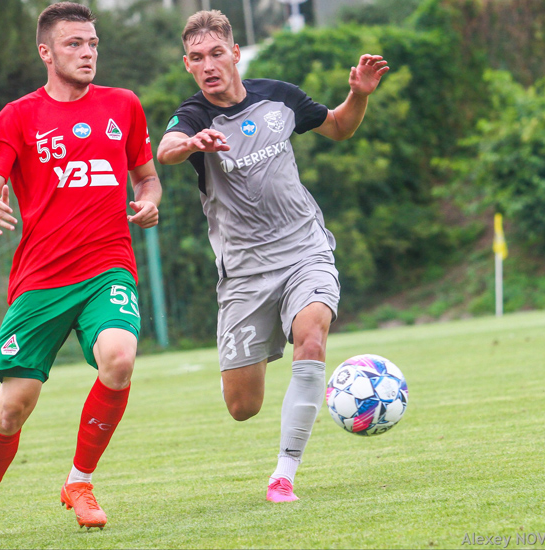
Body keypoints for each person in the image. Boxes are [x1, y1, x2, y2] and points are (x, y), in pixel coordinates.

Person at [156, 10, 388, 503]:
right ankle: (246, 365)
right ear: (187, 65)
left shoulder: (279, 97)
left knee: (312, 338)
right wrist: (191, 143)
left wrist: (359, 96)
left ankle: (284, 474)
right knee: (243, 406)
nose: (208, 65)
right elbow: (167, 148)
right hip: (244, 273)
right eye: (197, 58)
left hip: (305, 249)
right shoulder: (194, 116)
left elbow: (339, 128)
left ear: (235, 53)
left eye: (216, 53)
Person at [0, 2, 162, 545]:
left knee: (119, 357)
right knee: (11, 409)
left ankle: (79, 482)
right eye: (74, 44)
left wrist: (149, 201)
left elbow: (147, 178)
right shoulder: (19, 116)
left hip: (107, 268)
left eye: (92, 44)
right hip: (41, 280)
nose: (87, 53)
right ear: (46, 52)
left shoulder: (123, 105)